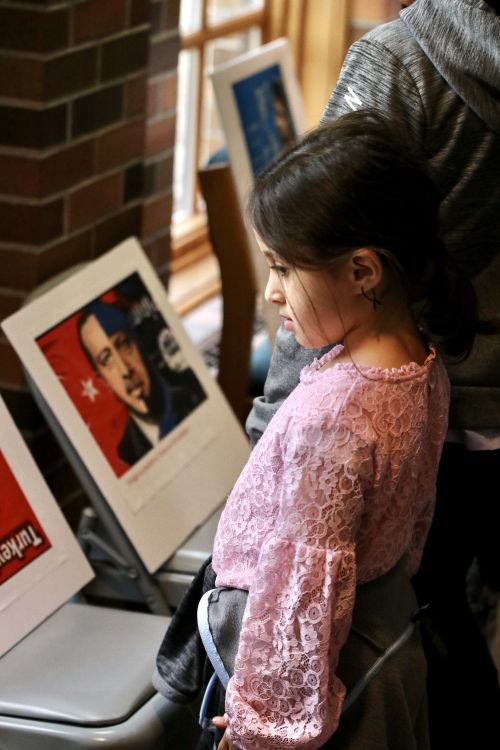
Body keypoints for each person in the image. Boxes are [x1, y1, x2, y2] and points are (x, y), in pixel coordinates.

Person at [246, 1, 500, 746]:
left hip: (422, 404)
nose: (274, 285)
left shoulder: (402, 61)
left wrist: (269, 436)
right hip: (450, 394)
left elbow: (315, 234)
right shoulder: (419, 385)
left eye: (276, 271)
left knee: (413, 636)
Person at [191, 110, 475, 750]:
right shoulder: (421, 364)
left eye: (284, 269)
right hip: (382, 623)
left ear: (363, 272)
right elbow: (414, 521)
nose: (270, 292)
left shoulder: (334, 420)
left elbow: (296, 590)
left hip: (319, 672)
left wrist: (261, 728)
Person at [78, 300, 205, 465]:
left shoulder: (192, 397)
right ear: (103, 380)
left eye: (123, 344)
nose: (125, 370)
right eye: (106, 359)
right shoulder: (126, 451)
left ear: (137, 343)